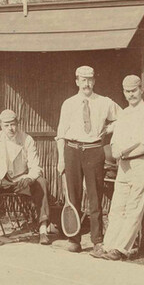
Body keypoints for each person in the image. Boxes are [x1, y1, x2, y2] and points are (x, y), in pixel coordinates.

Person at [93, 75, 144, 261]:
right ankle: (108, 246)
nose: (131, 95)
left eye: (134, 91)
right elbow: (115, 142)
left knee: (133, 207)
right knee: (117, 206)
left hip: (141, 164)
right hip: (123, 166)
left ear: (141, 90)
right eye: (127, 92)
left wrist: (127, 154)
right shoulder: (123, 114)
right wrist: (117, 152)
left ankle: (121, 249)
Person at [56, 65, 120, 254]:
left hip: (94, 150)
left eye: (90, 79)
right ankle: (74, 239)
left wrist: (109, 129)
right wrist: (61, 158)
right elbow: (61, 132)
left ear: (94, 81)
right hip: (72, 150)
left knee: (95, 197)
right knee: (73, 195)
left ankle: (97, 240)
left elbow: (122, 117)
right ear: (76, 81)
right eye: (83, 79)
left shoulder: (105, 102)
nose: (87, 83)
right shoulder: (68, 104)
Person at [0, 109, 52, 245]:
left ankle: (43, 229)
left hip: (20, 182)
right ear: (1, 125)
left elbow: (35, 166)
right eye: (6, 125)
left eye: (13, 124)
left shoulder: (27, 140)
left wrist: (29, 178)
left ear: (17, 123)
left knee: (42, 182)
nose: (10, 128)